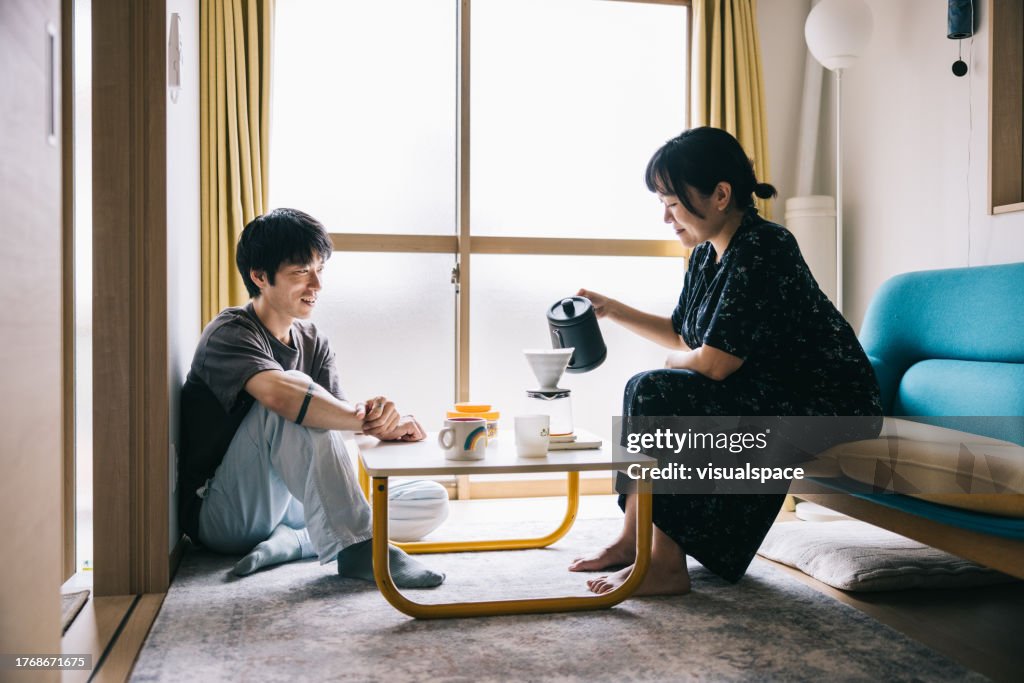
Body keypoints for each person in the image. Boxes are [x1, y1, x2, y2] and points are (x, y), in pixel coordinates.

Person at [572, 127, 882, 597]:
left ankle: (665, 565)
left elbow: (714, 364)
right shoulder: (706, 256)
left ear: (720, 194)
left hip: (832, 404)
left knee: (657, 388)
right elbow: (684, 332)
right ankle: (632, 538)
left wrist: (674, 362)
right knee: (647, 387)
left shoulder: (765, 247)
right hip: (775, 390)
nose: (665, 217)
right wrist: (612, 309)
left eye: (672, 202)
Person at [179, 208, 447, 587]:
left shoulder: (313, 340)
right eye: (302, 272)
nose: (317, 284)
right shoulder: (229, 332)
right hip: (224, 513)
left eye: (320, 269)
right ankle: (360, 549)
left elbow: (338, 428)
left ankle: (295, 541)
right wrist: (360, 418)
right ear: (259, 276)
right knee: (293, 397)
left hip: (288, 507)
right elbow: (284, 399)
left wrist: (385, 425)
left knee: (430, 498)